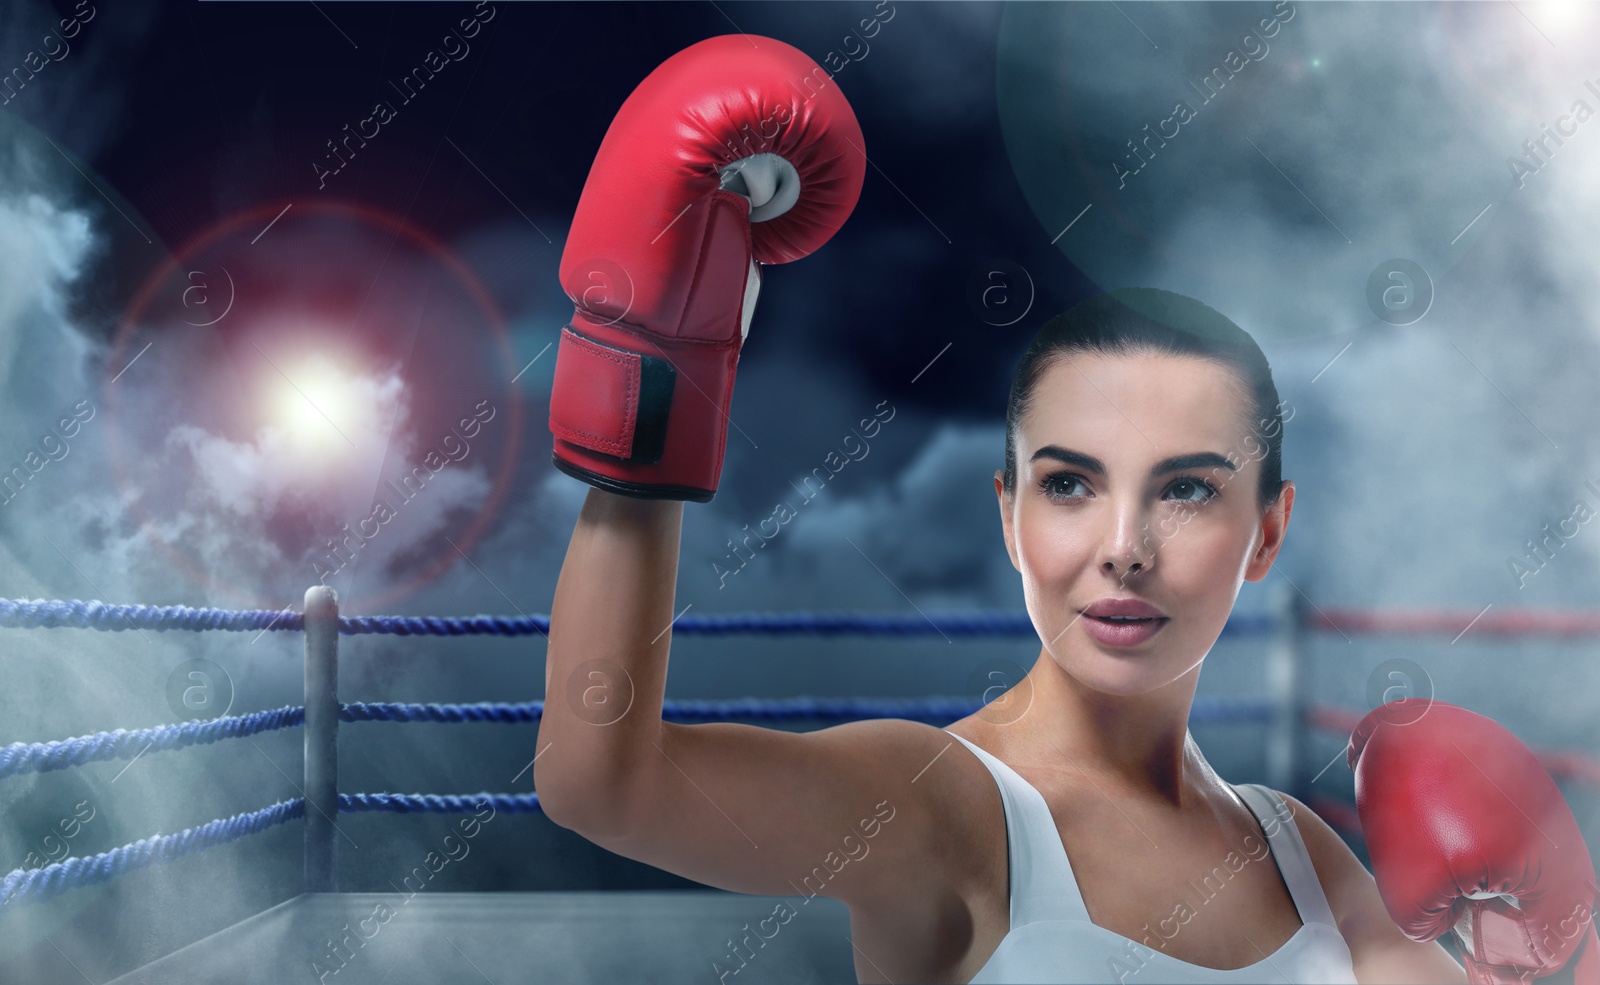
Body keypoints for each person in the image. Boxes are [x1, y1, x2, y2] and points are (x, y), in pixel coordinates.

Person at [537, 34, 1593, 985]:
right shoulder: (948, 806)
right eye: (1070, 484)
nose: (1122, 549)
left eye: (1185, 488)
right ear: (1009, 517)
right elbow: (602, 786)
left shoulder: (1300, 855)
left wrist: (1557, 948)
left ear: (1266, 531)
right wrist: (650, 390)